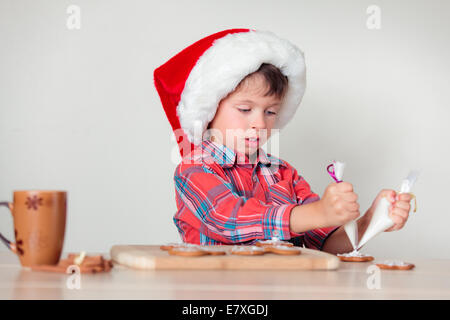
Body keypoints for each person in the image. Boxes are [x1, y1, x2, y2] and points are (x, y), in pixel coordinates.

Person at [154, 28, 413, 253]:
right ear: (209, 111)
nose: (259, 123)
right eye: (245, 109)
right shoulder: (195, 168)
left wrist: (370, 221)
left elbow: (324, 243)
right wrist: (317, 213)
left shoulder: (284, 174)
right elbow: (229, 220)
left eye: (270, 112)